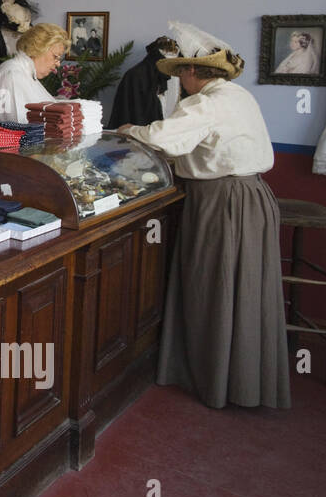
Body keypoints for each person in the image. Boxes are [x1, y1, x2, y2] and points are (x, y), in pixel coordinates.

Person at [118, 28, 288, 409]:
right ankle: (237, 374)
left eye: (181, 72)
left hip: (223, 200)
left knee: (216, 282)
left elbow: (164, 137)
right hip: (250, 195)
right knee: (242, 285)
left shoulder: (205, 103)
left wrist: (129, 130)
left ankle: (218, 377)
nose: (179, 80)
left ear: (195, 71)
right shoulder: (236, 95)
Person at [0, 22, 69, 124]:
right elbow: (17, 126)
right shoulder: (12, 74)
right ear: (38, 48)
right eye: (55, 57)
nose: (58, 64)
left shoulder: (27, 73)